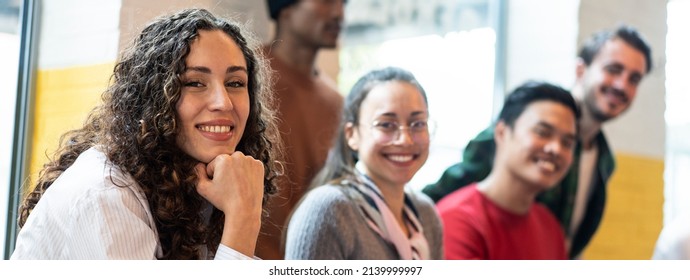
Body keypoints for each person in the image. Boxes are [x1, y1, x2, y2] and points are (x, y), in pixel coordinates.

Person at [10, 8, 280, 259]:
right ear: (154, 98)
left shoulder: (195, 183)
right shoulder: (106, 196)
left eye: (235, 83)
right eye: (195, 83)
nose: (224, 102)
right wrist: (243, 219)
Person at [423, 25, 652, 258]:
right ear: (581, 70)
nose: (622, 85)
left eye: (634, 79)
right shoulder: (519, 125)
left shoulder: (604, 161)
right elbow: (436, 204)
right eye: (613, 69)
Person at [284, 67, 443, 260]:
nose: (405, 140)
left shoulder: (426, 214)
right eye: (386, 125)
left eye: (418, 124)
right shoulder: (328, 210)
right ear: (352, 135)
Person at [437, 81, 578, 260]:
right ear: (502, 133)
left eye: (567, 143)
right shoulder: (458, 220)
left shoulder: (550, 226)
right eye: (543, 132)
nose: (556, 149)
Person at [256, 0, 345, 259]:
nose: (339, 13)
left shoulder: (338, 104)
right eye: (327, 2)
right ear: (285, 8)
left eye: (343, 3)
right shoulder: (242, 78)